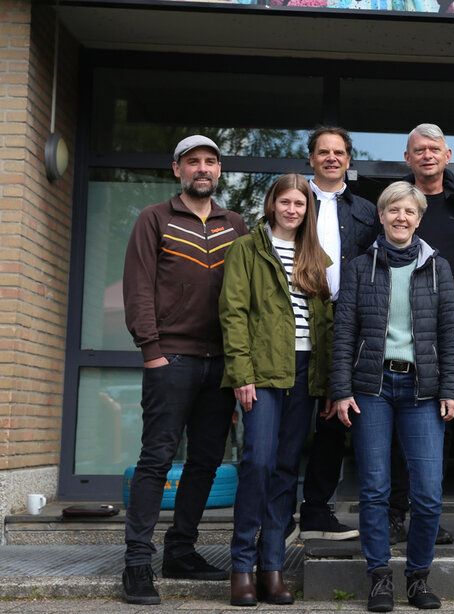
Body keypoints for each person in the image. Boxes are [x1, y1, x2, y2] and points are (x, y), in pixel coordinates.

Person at [121, 135, 247, 605]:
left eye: (210, 162)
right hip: (170, 357)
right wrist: (151, 350)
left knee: (206, 462)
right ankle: (137, 562)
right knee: (156, 460)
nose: (202, 169)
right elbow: (138, 289)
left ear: (219, 171)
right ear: (177, 169)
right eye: (193, 161)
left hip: (221, 363)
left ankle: (181, 550)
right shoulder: (155, 219)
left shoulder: (235, 224)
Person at [330, 181, 454, 612]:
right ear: (382, 216)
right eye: (393, 211)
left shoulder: (437, 266)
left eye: (409, 212)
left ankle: (419, 577)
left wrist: (451, 388)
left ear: (418, 218)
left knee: (427, 493)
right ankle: (379, 577)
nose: (401, 218)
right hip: (373, 388)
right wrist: (342, 390)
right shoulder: (359, 267)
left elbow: (450, 333)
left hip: (423, 390)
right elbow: (344, 332)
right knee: (374, 489)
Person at [220, 174, 332, 606]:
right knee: (259, 462)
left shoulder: (314, 255)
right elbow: (233, 313)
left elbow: (323, 323)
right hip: (263, 372)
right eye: (285, 202)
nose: (292, 210)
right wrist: (241, 374)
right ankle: (242, 566)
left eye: (300, 204)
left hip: (304, 372)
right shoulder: (247, 248)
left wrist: (323, 383)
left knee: (287, 468)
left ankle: (272, 567)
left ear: (308, 210)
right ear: (272, 204)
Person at [387, 123, 454, 546]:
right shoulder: (397, 202)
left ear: (448, 155)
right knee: (390, 432)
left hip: (447, 332)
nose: (427, 155)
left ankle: (425, 517)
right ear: (407, 159)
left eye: (434, 149)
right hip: (396, 332)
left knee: (434, 429)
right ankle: (393, 513)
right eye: (418, 150)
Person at [300, 126, 380, 542]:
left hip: (346, 319)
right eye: (323, 152)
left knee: (334, 423)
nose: (332, 158)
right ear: (311, 158)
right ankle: (274, 512)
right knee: (293, 420)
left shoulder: (366, 210)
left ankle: (316, 510)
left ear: (349, 159)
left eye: (339, 152)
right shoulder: (293, 200)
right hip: (299, 316)